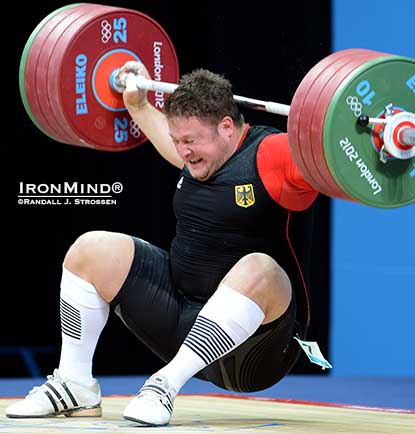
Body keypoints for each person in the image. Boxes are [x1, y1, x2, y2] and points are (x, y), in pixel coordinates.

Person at [6, 62, 318, 426]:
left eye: (190, 141)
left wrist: (380, 144)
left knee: (261, 268)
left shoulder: (274, 154)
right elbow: (177, 142)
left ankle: (165, 384)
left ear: (227, 127)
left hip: (254, 353)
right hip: (181, 320)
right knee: (90, 249)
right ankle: (75, 384)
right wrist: (136, 102)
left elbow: (334, 170)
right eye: (177, 141)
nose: (183, 152)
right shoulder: (200, 155)